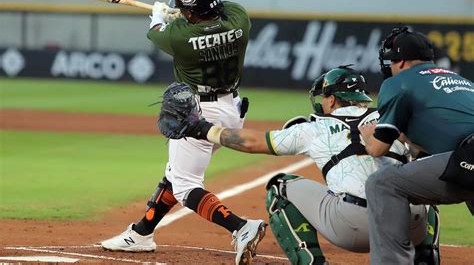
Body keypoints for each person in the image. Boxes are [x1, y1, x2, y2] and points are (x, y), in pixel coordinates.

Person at [167, 65, 440, 265]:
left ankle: (311, 262)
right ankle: (427, 257)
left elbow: (252, 143)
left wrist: (203, 128)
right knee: (419, 183)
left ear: (331, 99)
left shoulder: (314, 127)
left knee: (280, 187)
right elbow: (431, 154)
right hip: (407, 225)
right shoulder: (392, 118)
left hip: (354, 228)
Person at [100, 0, 266, 265]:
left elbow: (156, 31)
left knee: (185, 185)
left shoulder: (179, 36)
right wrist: (186, 13)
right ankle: (142, 233)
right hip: (232, 109)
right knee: (175, 173)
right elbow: (215, 13)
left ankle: (241, 227)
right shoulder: (240, 18)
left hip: (199, 114)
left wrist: (159, 15)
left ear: (188, 8)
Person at [359, 26, 474, 265]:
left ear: (400, 62)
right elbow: (448, 131)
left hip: (468, 159)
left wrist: (369, 136)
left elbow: (378, 148)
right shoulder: (461, 80)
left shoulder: (397, 83)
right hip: (466, 157)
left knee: (382, 183)